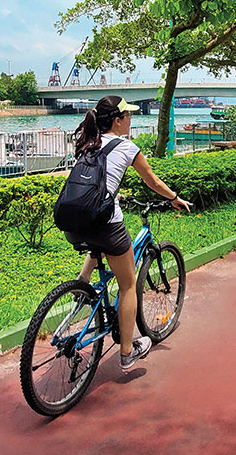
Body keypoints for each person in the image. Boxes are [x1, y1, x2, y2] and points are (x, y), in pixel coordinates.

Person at [66, 95, 191, 370]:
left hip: (73, 224)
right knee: (128, 284)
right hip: (106, 226)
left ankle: (83, 281)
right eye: (128, 116)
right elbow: (153, 181)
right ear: (118, 120)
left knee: (99, 243)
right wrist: (174, 198)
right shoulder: (126, 147)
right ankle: (126, 351)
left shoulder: (88, 143)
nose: (131, 120)